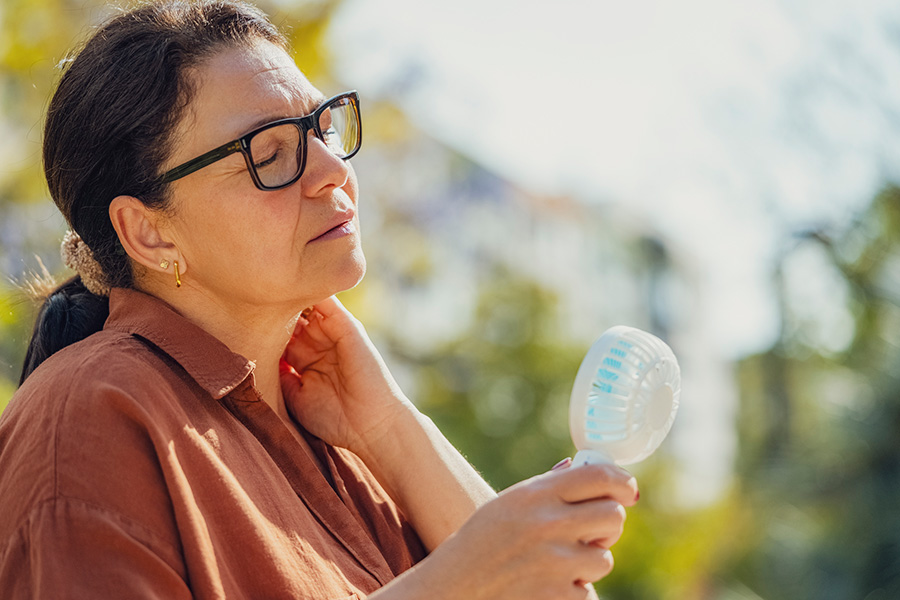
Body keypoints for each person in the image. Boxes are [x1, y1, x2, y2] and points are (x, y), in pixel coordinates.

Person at [0, 1, 639, 598]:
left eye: (322, 128)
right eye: (269, 153)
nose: (331, 169)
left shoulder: (342, 440)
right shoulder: (88, 420)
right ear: (149, 229)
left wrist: (392, 428)